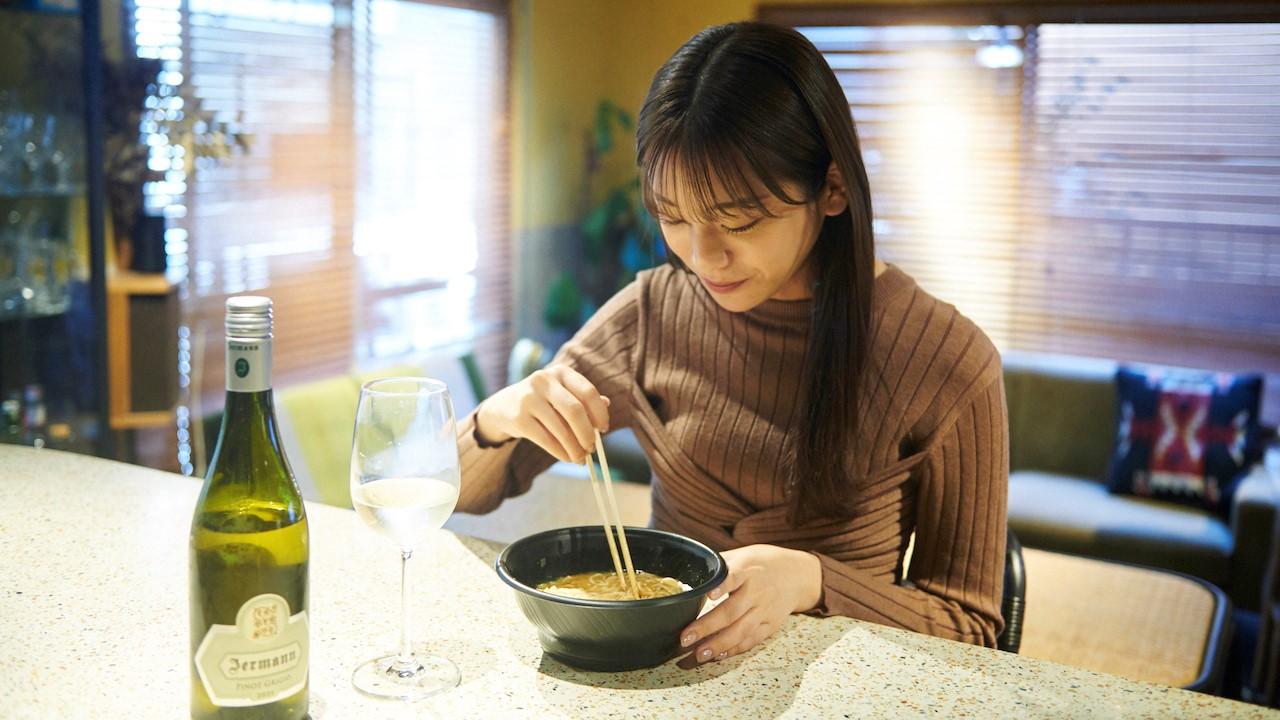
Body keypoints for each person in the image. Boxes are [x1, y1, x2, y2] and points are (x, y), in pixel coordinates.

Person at [456, 21, 1008, 666]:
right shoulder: (652, 312)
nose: (702, 256)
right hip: (660, 682)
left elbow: (972, 630)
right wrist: (496, 420)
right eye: (673, 217)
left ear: (831, 189)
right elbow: (455, 493)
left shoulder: (947, 358)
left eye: (738, 222)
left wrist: (815, 581)